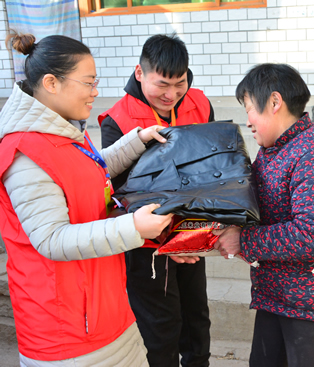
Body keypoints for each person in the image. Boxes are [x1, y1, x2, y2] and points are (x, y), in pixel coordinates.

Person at [0, 33, 172, 366]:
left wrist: (138, 140)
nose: (96, 92)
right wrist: (134, 227)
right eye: (89, 83)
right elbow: (51, 239)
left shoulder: (62, 132)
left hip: (106, 312)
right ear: (52, 83)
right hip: (66, 333)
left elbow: (92, 169)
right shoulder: (26, 153)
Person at [214, 63, 314, 367]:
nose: (248, 121)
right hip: (276, 293)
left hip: (311, 303)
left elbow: (313, 236)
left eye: (250, 109)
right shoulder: (274, 149)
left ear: (275, 103)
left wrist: (243, 240)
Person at [99, 34, 214, 367]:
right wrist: (170, 239)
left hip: (193, 236)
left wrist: (196, 234)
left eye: (180, 83)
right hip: (147, 245)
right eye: (162, 84)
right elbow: (121, 196)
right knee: (161, 330)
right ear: (139, 73)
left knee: (197, 320)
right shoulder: (118, 119)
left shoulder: (200, 103)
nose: (171, 94)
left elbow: (211, 171)